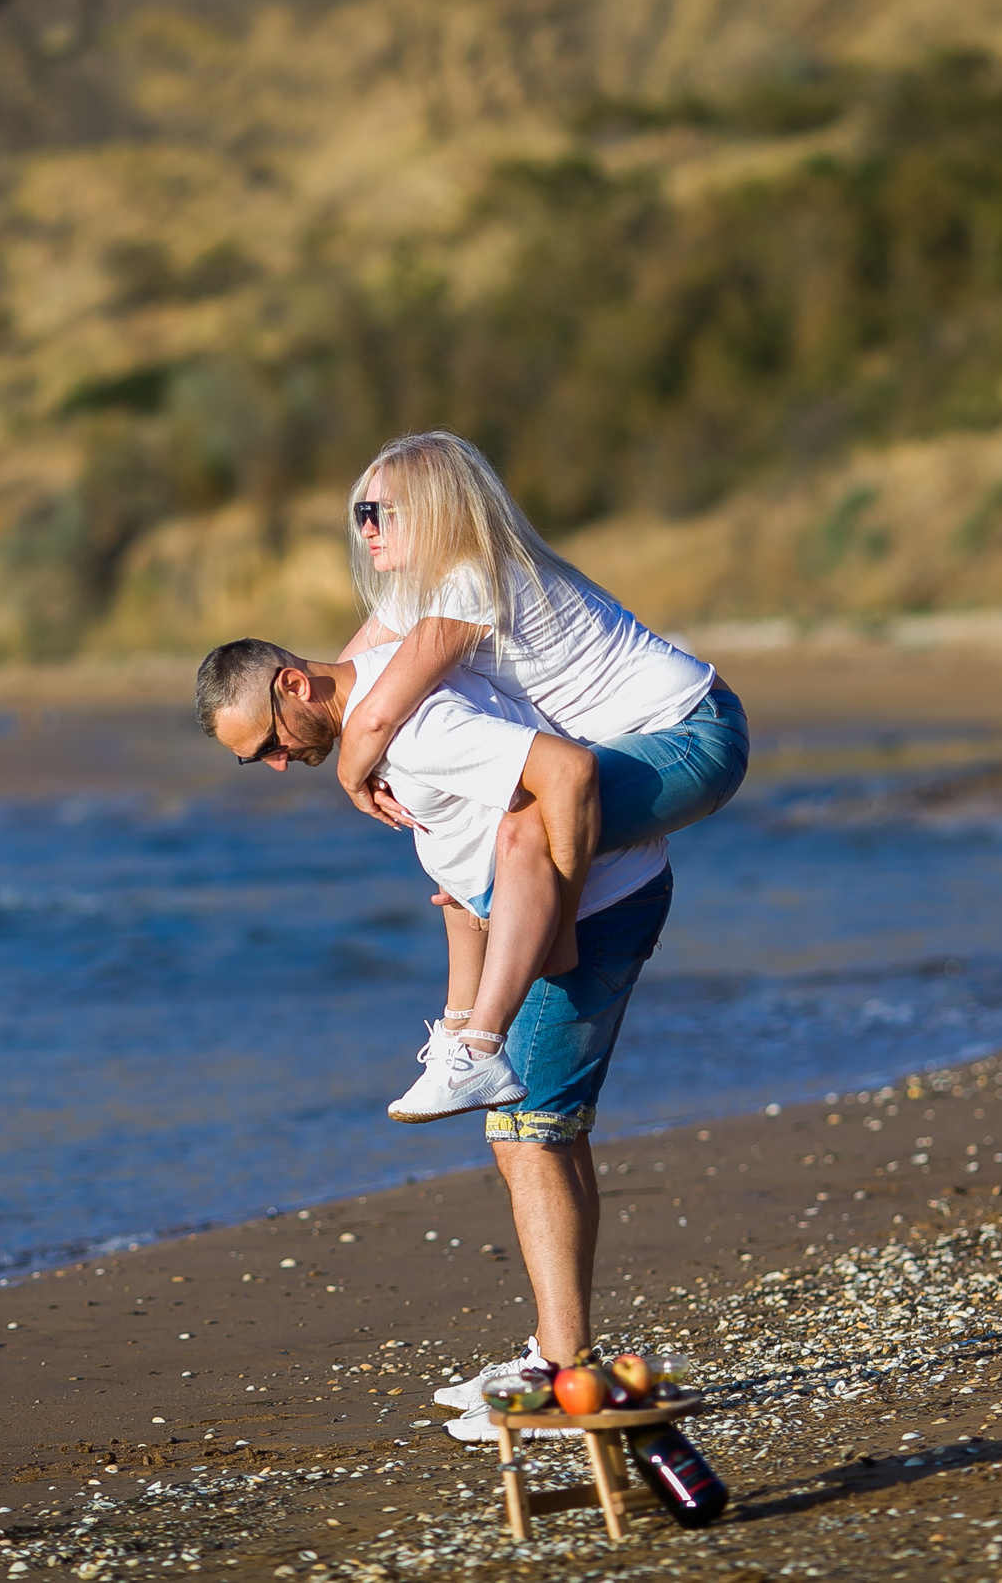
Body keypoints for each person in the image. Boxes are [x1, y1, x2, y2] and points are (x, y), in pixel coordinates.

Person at [197, 635, 674, 1441]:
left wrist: (557, 917)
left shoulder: (414, 727)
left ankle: (562, 1372)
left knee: (530, 1130)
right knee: (541, 1131)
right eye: (260, 760)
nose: (279, 763)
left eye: (270, 743)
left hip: (594, 911)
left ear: (294, 684)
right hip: (567, 910)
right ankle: (559, 1354)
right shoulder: (382, 718)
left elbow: (564, 775)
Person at [331, 432, 749, 1100]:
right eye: (361, 515)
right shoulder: (417, 594)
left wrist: (352, 776)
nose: (367, 530)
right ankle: (465, 1023)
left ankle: (484, 1036)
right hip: (664, 735)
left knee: (521, 835)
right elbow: (348, 687)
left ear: (439, 510)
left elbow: (374, 716)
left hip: (697, 732)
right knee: (484, 852)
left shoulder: (471, 580)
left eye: (380, 512)